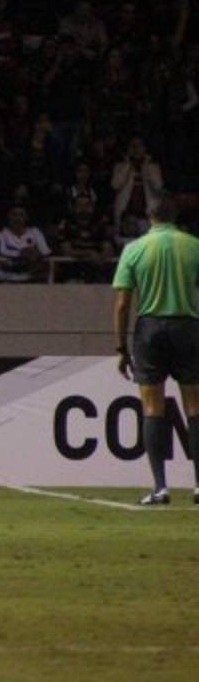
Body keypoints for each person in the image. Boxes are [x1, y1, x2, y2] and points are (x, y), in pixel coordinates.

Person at [111, 194, 199, 505]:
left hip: (149, 329)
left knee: (152, 408)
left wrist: (122, 348)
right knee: (195, 407)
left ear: (149, 217)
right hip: (188, 326)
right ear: (175, 217)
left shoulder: (134, 249)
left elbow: (122, 304)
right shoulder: (193, 245)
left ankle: (161, 487)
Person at [0, 206, 52, 282]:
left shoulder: (35, 232)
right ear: (9, 217)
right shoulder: (1, 233)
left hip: (29, 277)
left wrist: (35, 253)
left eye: (21, 215)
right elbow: (2, 252)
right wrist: (21, 252)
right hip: (5, 277)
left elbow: (45, 251)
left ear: (26, 217)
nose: (17, 218)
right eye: (14, 214)